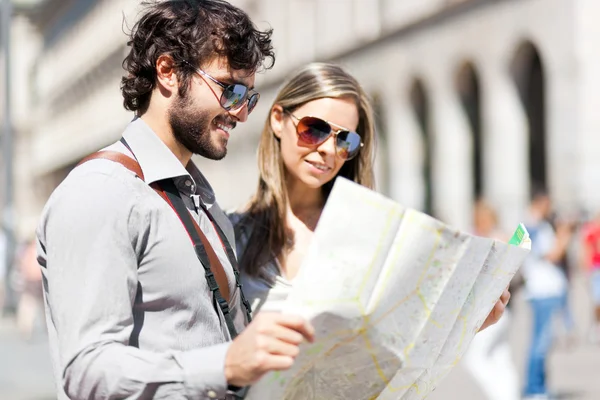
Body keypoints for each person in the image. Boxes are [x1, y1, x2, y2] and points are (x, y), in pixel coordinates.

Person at [36, 2, 314, 400]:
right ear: (168, 71)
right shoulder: (99, 193)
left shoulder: (197, 195)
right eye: (229, 89)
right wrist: (224, 365)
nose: (239, 113)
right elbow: (86, 370)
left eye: (248, 98)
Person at [229, 62, 510, 329]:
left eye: (344, 140)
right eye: (314, 129)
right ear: (278, 120)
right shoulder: (230, 234)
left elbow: (402, 341)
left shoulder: (372, 234)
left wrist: (466, 324)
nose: (328, 149)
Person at [462, 199, 520, 400]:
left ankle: (499, 395)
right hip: (505, 309)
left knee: (474, 359)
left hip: (493, 309)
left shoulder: (493, 240)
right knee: (501, 358)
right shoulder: (501, 237)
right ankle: (509, 396)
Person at [522, 189, 573, 400]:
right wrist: (564, 234)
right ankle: (534, 388)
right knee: (540, 342)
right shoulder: (534, 227)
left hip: (544, 290)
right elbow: (553, 254)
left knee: (543, 340)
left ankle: (539, 385)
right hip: (544, 290)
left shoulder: (533, 226)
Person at [581, 211, 600, 343]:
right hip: (596, 269)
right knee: (597, 300)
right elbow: (586, 250)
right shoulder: (591, 231)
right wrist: (587, 269)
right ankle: (596, 327)